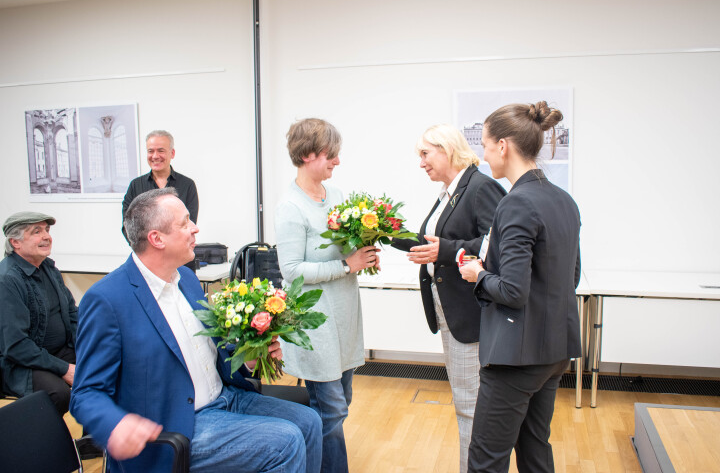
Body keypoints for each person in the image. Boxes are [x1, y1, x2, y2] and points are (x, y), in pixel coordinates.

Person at [70, 188, 322, 473]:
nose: (195, 228)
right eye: (185, 222)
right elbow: (85, 393)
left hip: (226, 398)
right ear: (157, 238)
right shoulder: (107, 300)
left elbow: (213, 353)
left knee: (309, 422)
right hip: (180, 424)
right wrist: (115, 425)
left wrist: (247, 360)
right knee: (285, 442)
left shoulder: (187, 279)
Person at [459, 101, 581, 473]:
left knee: (486, 459)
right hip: (554, 349)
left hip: (515, 356)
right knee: (534, 449)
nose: (482, 155)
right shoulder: (564, 200)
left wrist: (477, 274)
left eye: (484, 144)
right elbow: (571, 276)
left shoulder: (516, 204)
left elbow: (513, 291)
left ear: (503, 146)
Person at [392, 124, 505, 473]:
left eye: (425, 154)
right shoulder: (451, 191)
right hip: (451, 312)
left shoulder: (481, 187)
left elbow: (496, 245)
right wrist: (381, 230)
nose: (421, 163)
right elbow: (433, 245)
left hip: (469, 315)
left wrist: (448, 250)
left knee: (470, 406)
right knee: (466, 402)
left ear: (447, 150)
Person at [274, 118, 378, 473]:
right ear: (307, 155)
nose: (336, 161)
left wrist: (364, 245)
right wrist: (347, 266)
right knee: (331, 410)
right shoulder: (291, 207)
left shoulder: (335, 197)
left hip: (344, 316)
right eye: (330, 155)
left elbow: (342, 251)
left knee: (340, 403)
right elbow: (292, 271)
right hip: (316, 323)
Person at [0, 212, 77, 415]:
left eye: (46, 230)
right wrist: (65, 369)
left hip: (58, 351)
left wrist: (88, 347)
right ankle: (42, 444)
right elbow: (17, 346)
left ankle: (92, 443)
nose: (46, 236)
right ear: (15, 242)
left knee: (108, 368)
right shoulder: (7, 280)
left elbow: (72, 314)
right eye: (37, 231)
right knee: (59, 394)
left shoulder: (49, 269)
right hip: (21, 363)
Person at [121, 130, 199, 252]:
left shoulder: (187, 185)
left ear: (172, 153)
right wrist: (148, 252)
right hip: (147, 259)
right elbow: (128, 226)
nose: (155, 156)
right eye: (150, 151)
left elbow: (188, 225)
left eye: (161, 151)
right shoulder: (135, 186)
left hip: (179, 257)